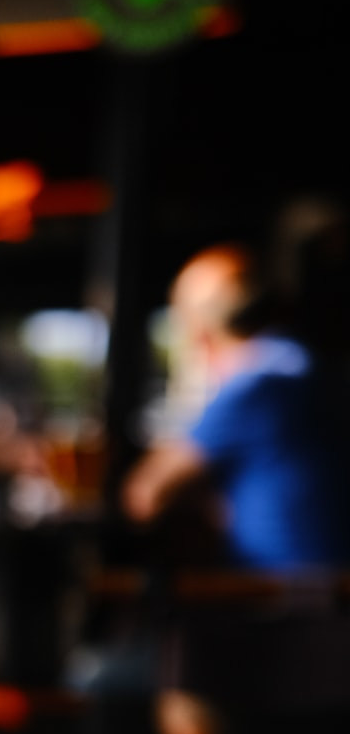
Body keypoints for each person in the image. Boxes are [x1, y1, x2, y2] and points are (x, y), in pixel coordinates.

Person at [121, 242, 350, 569]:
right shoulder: (305, 364)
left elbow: (145, 496)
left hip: (292, 593)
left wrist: (192, 378)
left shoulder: (254, 386)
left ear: (200, 334)